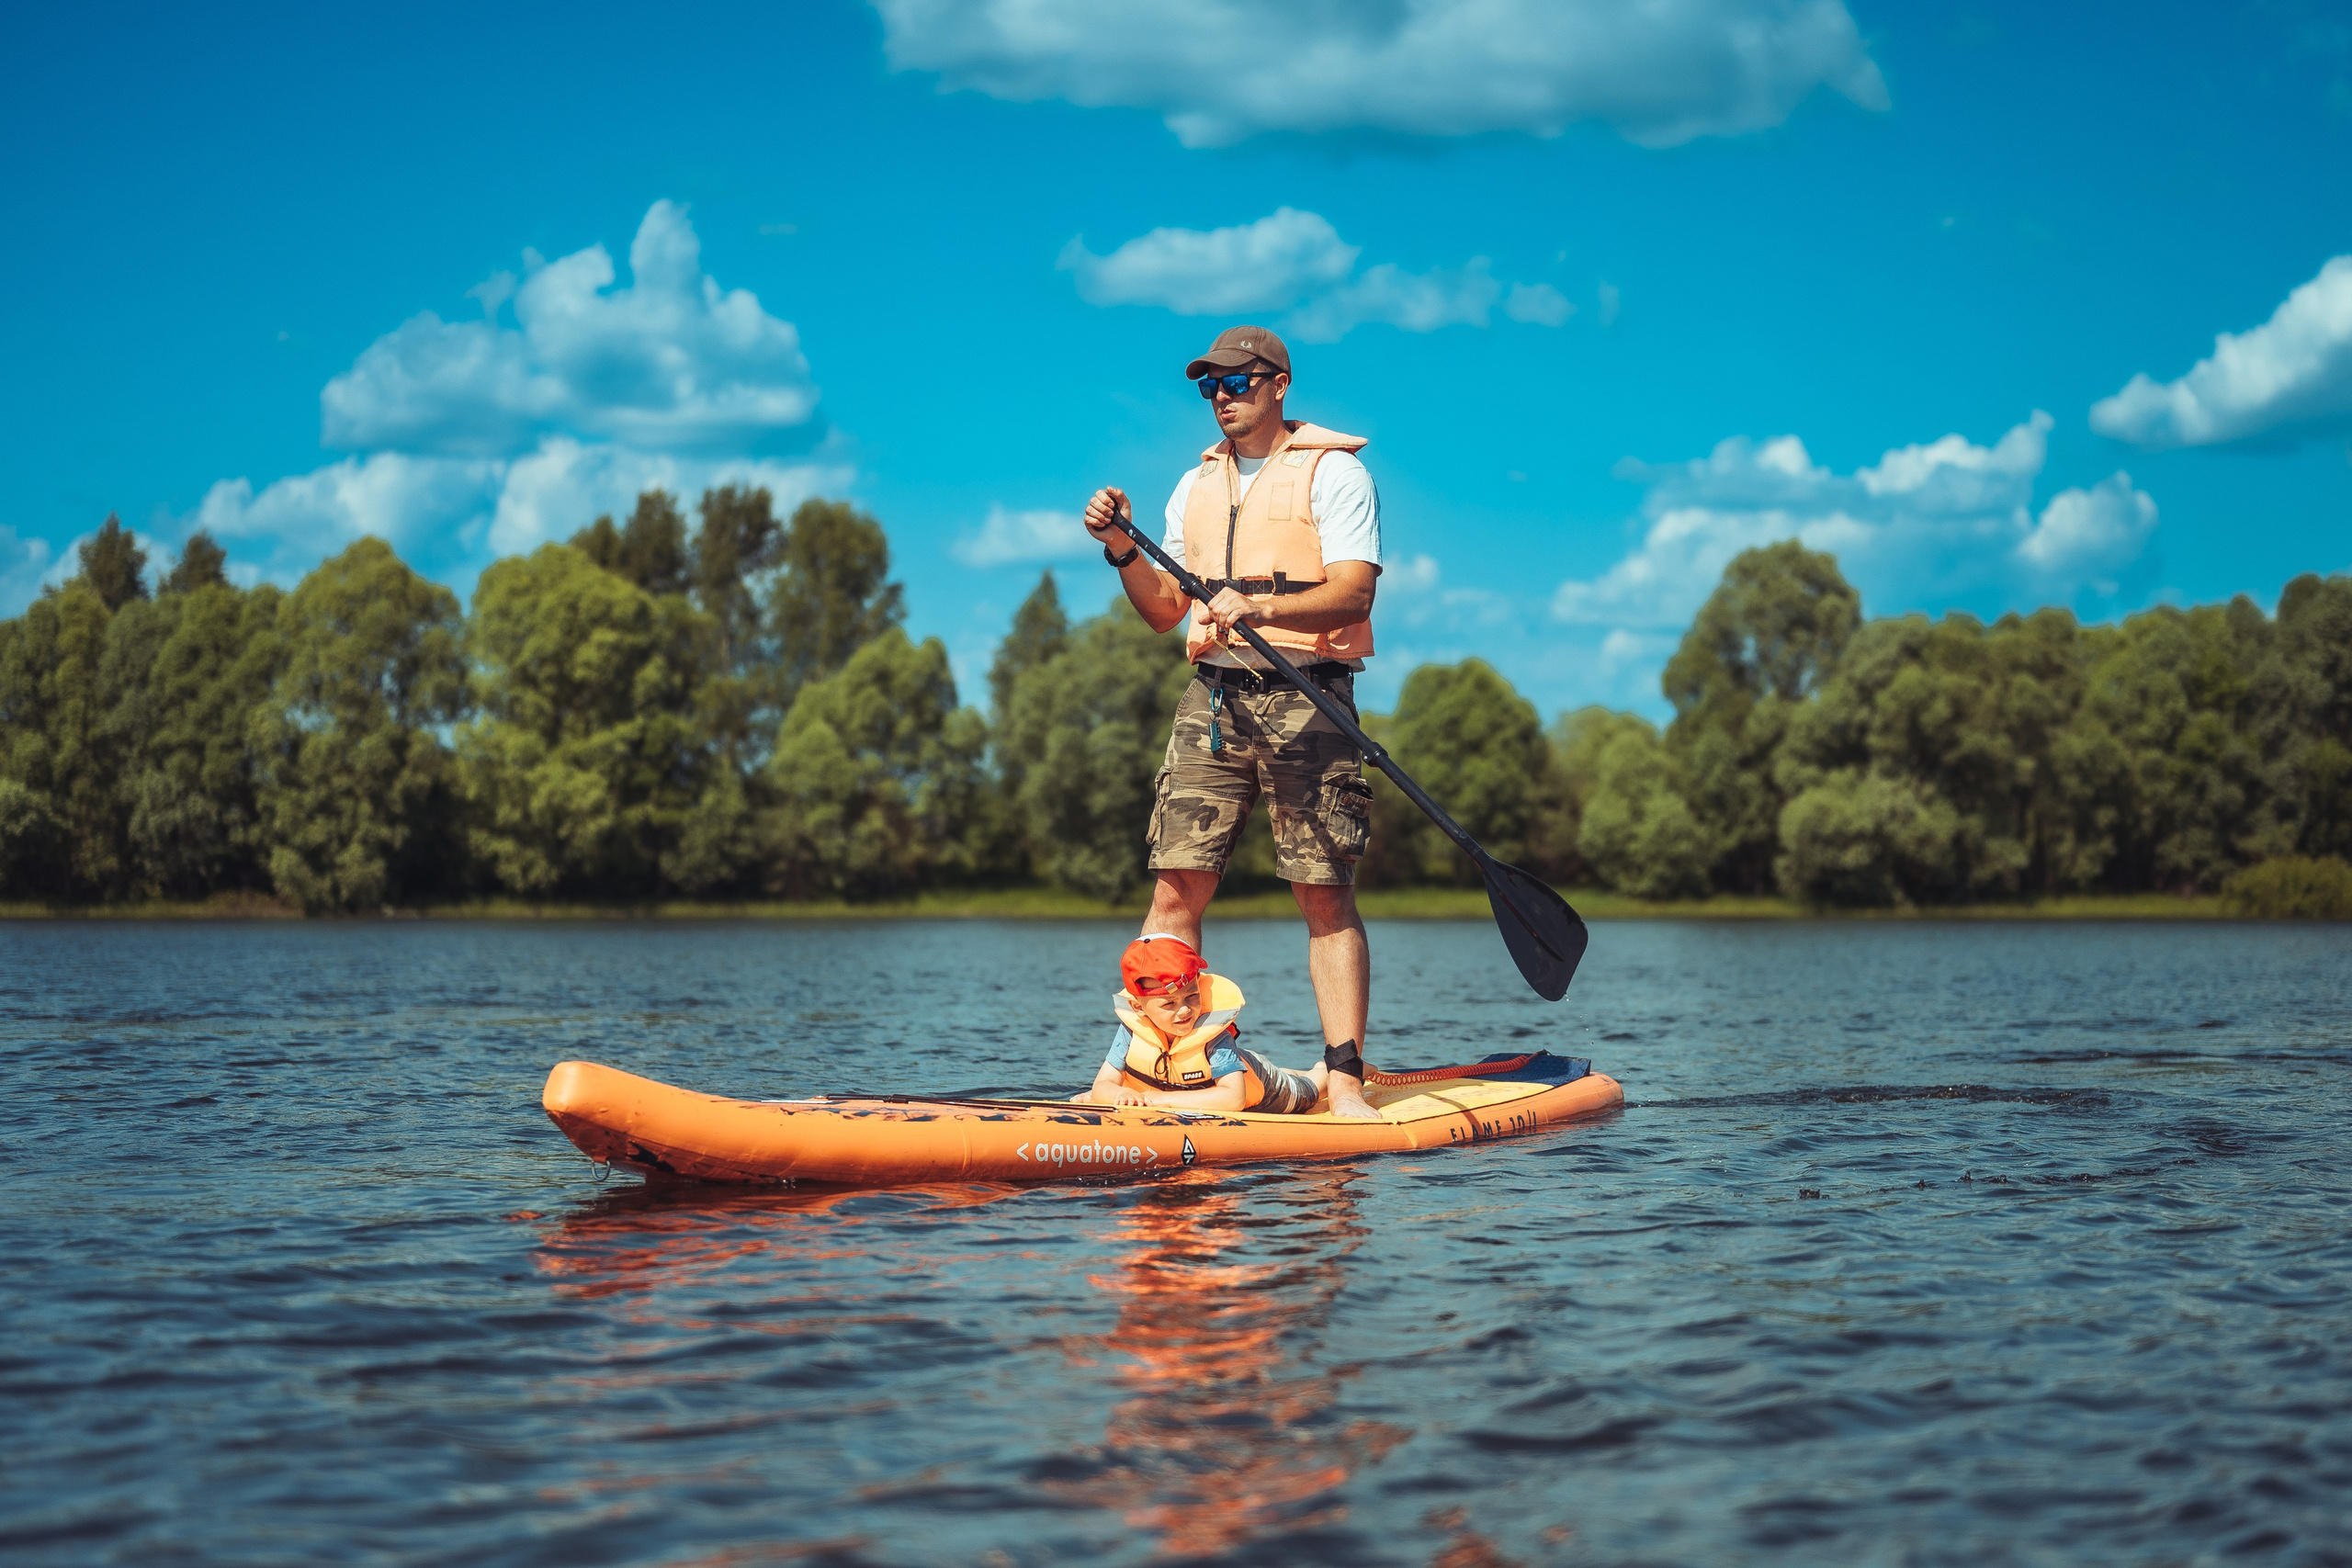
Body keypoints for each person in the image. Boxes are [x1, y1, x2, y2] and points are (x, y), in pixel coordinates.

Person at [1080, 324, 1383, 1119]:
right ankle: (1146, 1071)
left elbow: (1354, 593)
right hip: (1212, 701)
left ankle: (1345, 1079)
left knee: (1323, 891)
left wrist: (1265, 603)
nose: (1222, 397)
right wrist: (1120, 549)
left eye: (1239, 382)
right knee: (1176, 887)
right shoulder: (1194, 486)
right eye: (1210, 386)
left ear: (1279, 384)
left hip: (1306, 695)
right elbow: (1161, 612)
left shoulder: (1336, 475)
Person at [1074, 935, 1329, 1114]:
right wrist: (1117, 1096)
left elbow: (1233, 1097)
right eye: (1168, 1004)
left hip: (1264, 1089)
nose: (1185, 1010)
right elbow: (1103, 1083)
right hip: (1215, 1073)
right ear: (1139, 1008)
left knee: (1308, 1091)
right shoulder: (1132, 1029)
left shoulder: (1213, 1035)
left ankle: (1328, 1070)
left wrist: (1157, 1100)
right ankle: (1298, 1070)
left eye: (1192, 996)